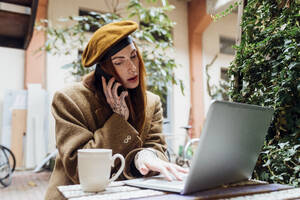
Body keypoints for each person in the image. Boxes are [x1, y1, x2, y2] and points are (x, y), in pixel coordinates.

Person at [45, 20, 187, 200]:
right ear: (104, 70)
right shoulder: (69, 99)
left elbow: (156, 148)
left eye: (134, 56)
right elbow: (79, 169)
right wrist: (118, 121)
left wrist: (144, 157)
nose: (132, 67)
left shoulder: (152, 102)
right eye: (119, 62)